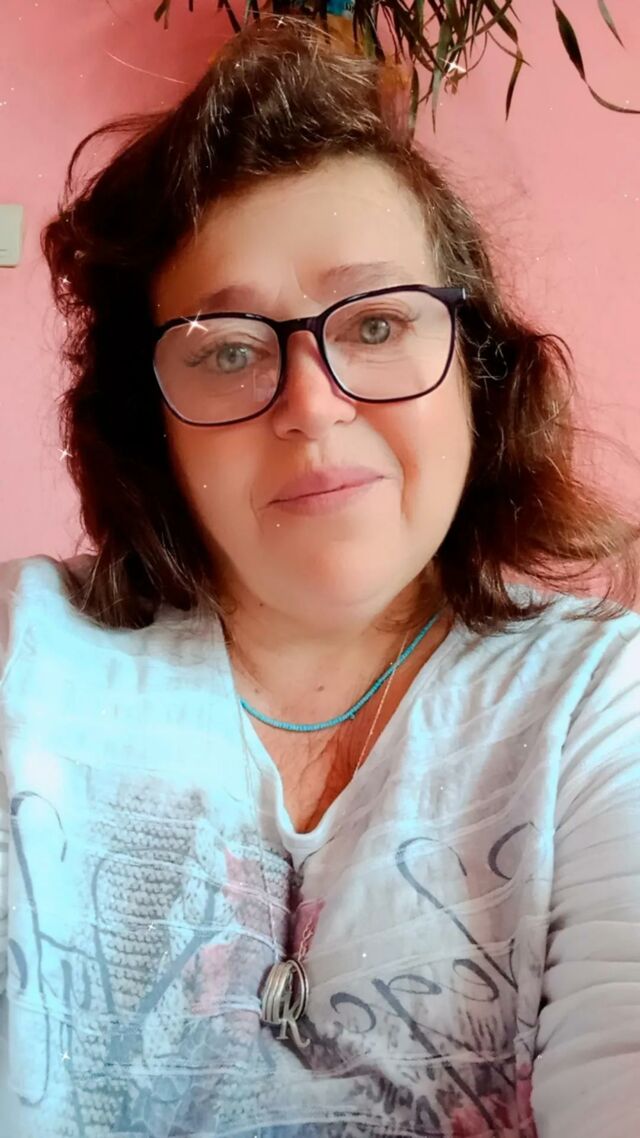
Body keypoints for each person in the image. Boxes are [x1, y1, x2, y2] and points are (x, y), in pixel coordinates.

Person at [1, 14, 639, 1138]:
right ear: (152, 426)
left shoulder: (603, 705)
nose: (312, 403)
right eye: (228, 348)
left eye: (379, 325)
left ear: (479, 372)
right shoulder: (24, 657)